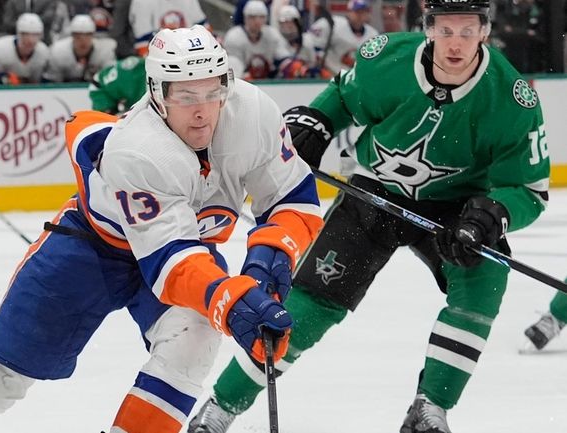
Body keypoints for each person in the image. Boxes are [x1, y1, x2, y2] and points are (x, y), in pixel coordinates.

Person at [189, 1, 550, 432]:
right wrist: (319, 119)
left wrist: (495, 214)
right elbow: (343, 96)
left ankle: (430, 408)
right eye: (446, 30)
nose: (456, 44)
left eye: (467, 32)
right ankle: (220, 407)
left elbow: (528, 189)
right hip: (375, 194)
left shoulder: (511, 98)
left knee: (484, 280)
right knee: (307, 309)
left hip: (456, 208)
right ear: (428, 28)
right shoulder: (387, 59)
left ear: (485, 32)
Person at [0, 24, 323, 433]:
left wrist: (269, 260)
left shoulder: (251, 111)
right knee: (0, 382)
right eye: (185, 95)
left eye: (212, 90)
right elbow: (170, 264)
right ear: (157, 93)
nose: (202, 110)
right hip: (91, 248)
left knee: (193, 339)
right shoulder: (139, 148)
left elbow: (291, 198)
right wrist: (231, 302)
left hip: (186, 246)